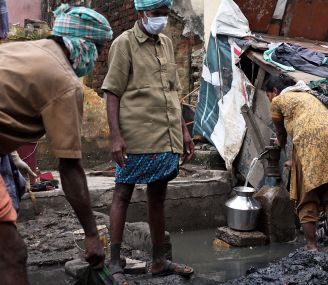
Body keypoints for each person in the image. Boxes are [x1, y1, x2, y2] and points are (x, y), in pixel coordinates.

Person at [0, 4, 112, 285]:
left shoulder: (28, 50)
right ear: (83, 45)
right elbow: (71, 168)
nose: (96, 59)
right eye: (97, 49)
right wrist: (91, 236)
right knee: (11, 254)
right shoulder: (64, 82)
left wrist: (11, 155)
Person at [101, 0, 195, 283]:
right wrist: (116, 137)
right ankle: (114, 262)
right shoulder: (124, 43)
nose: (162, 20)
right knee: (122, 194)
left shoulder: (166, 43)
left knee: (158, 196)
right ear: (142, 13)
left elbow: (172, 92)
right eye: (157, 14)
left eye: (166, 15)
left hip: (166, 134)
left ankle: (158, 261)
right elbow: (112, 92)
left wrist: (185, 132)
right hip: (135, 135)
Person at [264, 75, 328, 256]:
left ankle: (311, 246)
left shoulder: (279, 100)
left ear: (274, 91)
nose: (270, 100)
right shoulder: (310, 95)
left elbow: (281, 135)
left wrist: (279, 143)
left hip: (310, 144)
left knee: (306, 197)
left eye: (268, 96)